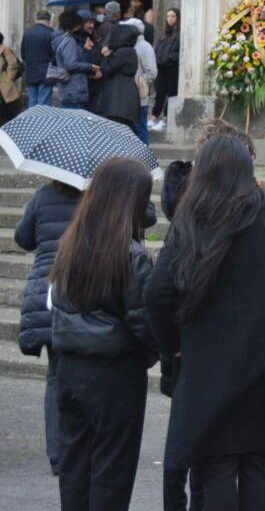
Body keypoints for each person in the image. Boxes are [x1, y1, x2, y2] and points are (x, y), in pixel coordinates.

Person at [145, 136, 265, 511]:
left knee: (216, 462)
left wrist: (172, 343)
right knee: (256, 461)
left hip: (206, 357)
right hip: (262, 355)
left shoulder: (191, 219)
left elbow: (156, 292)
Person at [49, 158, 158, 511]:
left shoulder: (71, 241)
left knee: (75, 467)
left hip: (69, 368)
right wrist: (153, 353)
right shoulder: (131, 255)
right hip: (115, 373)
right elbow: (143, 322)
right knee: (112, 471)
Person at [16, 180, 83, 476]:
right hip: (78, 290)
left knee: (55, 376)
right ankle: (78, 445)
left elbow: (23, 238)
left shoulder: (42, 195)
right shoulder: (92, 198)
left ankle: (57, 453)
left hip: (44, 293)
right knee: (76, 371)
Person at [96, 23, 141, 127]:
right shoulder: (129, 51)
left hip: (119, 98)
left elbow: (107, 69)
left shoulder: (123, 52)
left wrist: (105, 56)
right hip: (124, 96)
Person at [52, 9, 99, 110]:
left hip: (71, 91)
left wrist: (84, 50)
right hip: (73, 92)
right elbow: (71, 64)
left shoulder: (67, 39)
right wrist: (90, 67)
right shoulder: (70, 41)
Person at [122, 18, 158, 143]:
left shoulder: (145, 47)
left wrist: (138, 81)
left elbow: (152, 72)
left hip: (139, 96)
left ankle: (144, 159)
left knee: (140, 128)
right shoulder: (130, 45)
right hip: (129, 95)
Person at [150, 7, 180, 132]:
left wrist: (170, 57)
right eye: (168, 16)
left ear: (177, 18)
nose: (170, 18)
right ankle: (153, 117)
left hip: (172, 68)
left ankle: (166, 119)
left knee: (172, 95)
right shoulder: (164, 34)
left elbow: (182, 52)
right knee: (160, 94)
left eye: (172, 16)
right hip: (161, 68)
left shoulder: (180, 33)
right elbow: (157, 49)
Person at [21, 10, 55, 107]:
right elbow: (55, 54)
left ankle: (31, 121)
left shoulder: (27, 33)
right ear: (48, 21)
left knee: (32, 101)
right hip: (47, 73)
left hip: (31, 72)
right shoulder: (51, 33)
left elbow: (23, 54)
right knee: (43, 104)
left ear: (36, 19)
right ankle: (42, 122)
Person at [0, 31, 22, 123]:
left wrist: (9, 78)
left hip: (4, 85)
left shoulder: (5, 50)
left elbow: (13, 65)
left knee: (7, 110)